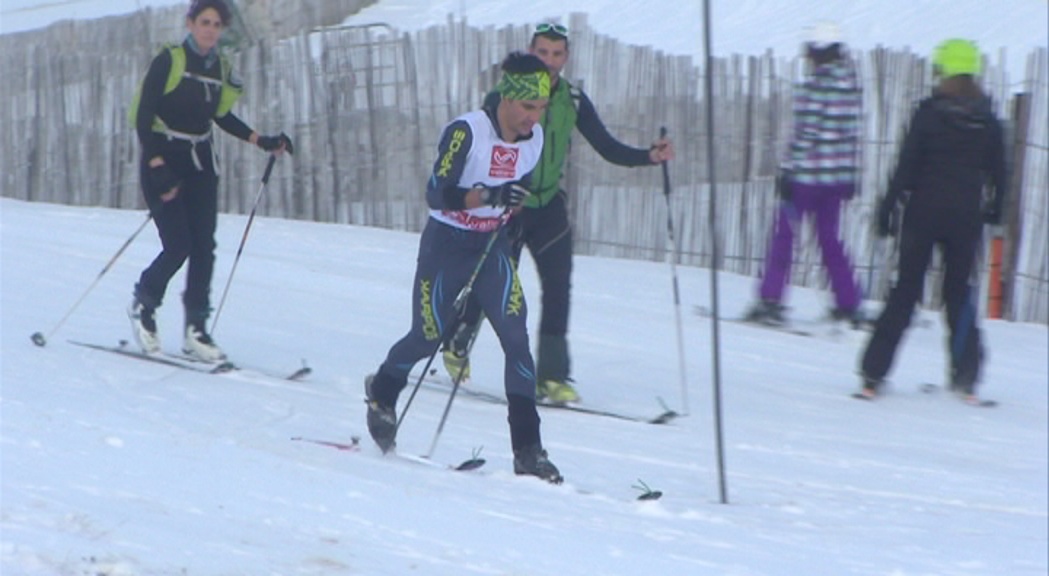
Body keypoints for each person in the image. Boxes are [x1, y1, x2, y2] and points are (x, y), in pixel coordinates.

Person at [441, 22, 676, 404]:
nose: (549, 61)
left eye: (556, 54)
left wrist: (650, 156)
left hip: (548, 206)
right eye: (542, 53)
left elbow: (607, 147)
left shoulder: (574, 101)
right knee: (496, 286)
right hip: (509, 206)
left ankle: (551, 376)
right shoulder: (503, 95)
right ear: (531, 53)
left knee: (558, 286)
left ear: (566, 58)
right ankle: (456, 341)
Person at [364, 52, 562, 483]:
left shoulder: (535, 138)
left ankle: (528, 450)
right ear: (509, 99)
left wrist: (512, 201)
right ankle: (381, 390)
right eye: (529, 107)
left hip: (491, 245)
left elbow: (523, 183)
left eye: (541, 108)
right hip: (446, 243)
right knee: (428, 335)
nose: (534, 117)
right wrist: (488, 197)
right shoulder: (467, 131)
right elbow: (437, 193)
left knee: (515, 337)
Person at [127, 0, 292, 362]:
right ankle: (145, 303)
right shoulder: (169, 60)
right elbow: (144, 114)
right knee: (178, 244)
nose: (210, 29)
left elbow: (220, 115)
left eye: (217, 24)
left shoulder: (219, 67)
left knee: (204, 246)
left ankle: (196, 330)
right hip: (163, 158)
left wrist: (261, 140)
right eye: (205, 22)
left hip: (200, 162)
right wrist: (155, 163)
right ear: (190, 24)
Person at [858, 38, 1006, 402]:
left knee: (905, 291)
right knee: (958, 294)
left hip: (923, 213)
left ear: (943, 72)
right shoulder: (987, 119)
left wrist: (888, 206)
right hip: (965, 217)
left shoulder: (929, 112)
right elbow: (1000, 172)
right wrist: (995, 207)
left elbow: (907, 165)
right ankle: (966, 377)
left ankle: (873, 374)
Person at [745, 21, 864, 328]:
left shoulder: (815, 86)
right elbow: (851, 135)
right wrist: (850, 173)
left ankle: (771, 299)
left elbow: (805, 134)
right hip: (837, 179)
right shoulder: (850, 86)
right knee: (829, 239)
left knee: (785, 234)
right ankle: (847, 301)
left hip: (807, 178)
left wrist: (787, 169)